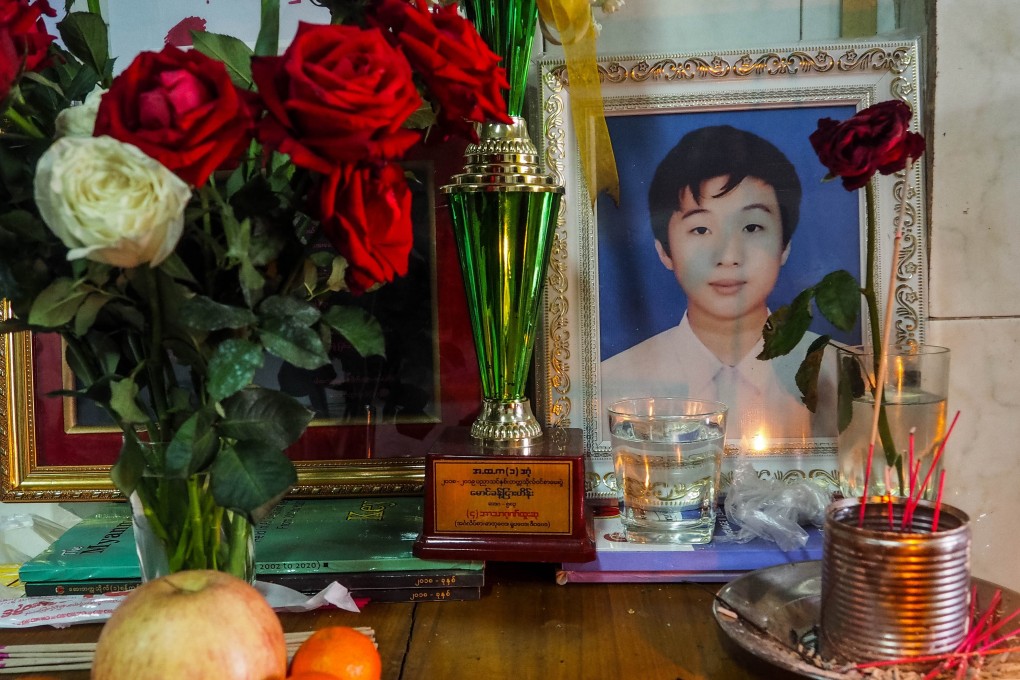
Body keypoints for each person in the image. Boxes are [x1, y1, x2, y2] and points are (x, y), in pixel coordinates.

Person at [600, 125, 837, 447]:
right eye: (701, 229)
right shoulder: (610, 386)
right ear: (664, 251)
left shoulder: (840, 374)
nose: (728, 256)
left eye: (751, 227)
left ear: (785, 246)